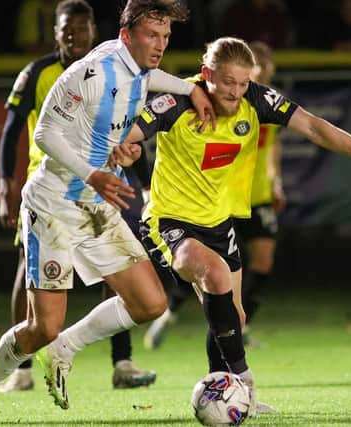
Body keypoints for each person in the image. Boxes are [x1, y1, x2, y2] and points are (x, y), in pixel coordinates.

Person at [120, 36, 351, 416]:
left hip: (218, 221)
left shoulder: (255, 99)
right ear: (207, 74)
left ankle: (222, 392)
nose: (237, 93)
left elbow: (313, 126)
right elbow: (127, 132)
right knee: (215, 274)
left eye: (243, 84)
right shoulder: (176, 101)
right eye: (228, 83)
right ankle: (247, 385)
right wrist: (124, 147)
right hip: (169, 220)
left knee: (232, 318)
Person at [0, 0, 216, 425]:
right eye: (152, 36)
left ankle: (65, 348)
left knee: (150, 302)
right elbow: (43, 133)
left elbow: (149, 76)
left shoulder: (137, 69)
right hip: (54, 206)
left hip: (95, 205)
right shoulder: (91, 72)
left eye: (166, 36)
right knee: (41, 327)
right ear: (127, 34)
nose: (159, 44)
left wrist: (190, 88)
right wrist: (92, 173)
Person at [0, 0, 155, 393]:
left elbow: (130, 127)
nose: (74, 35)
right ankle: (24, 366)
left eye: (82, 29)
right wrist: (5, 185)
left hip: (102, 186)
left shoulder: (115, 72)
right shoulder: (38, 73)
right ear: (56, 32)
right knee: (29, 272)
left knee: (119, 270)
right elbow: (13, 130)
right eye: (67, 29)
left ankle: (122, 361)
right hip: (49, 186)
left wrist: (147, 183)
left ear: (93, 31)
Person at [142, 40, 285, 349]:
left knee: (262, 262)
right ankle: (170, 313)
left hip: (254, 196)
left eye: (261, 68)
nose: (238, 88)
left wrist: (276, 181)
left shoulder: (261, 103)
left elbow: (274, 144)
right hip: (214, 200)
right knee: (206, 270)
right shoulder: (198, 102)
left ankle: (238, 334)